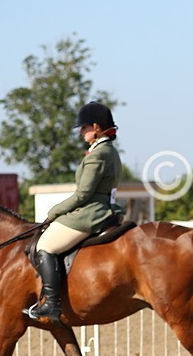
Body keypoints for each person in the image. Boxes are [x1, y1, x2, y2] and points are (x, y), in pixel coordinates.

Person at [24, 101, 123, 322]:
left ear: (96, 127)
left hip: (91, 213)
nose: (81, 132)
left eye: (84, 128)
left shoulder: (98, 155)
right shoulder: (110, 151)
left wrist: (54, 212)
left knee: (44, 245)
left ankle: (51, 304)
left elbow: (82, 195)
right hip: (105, 207)